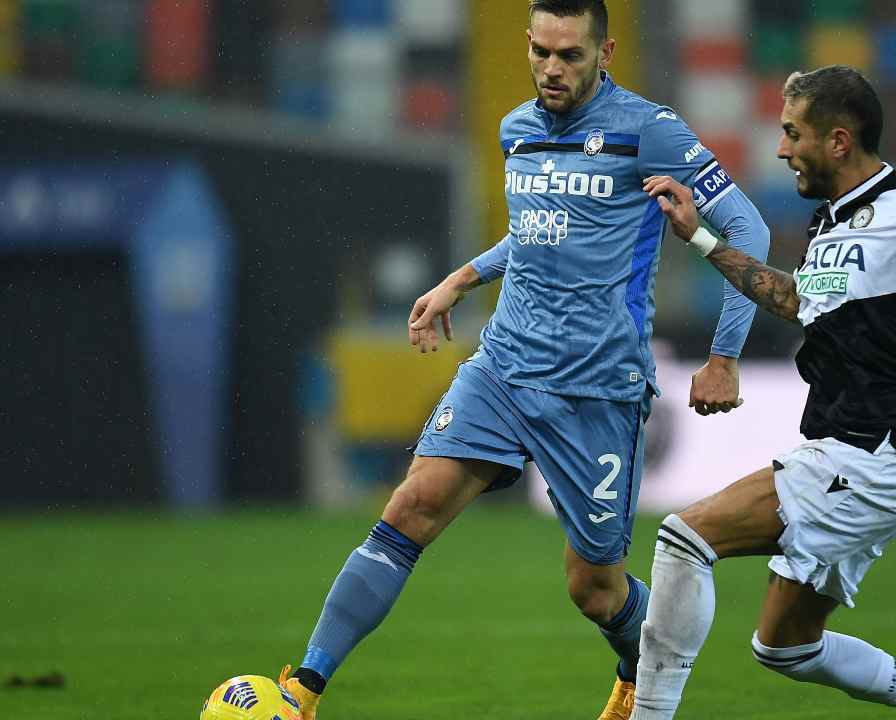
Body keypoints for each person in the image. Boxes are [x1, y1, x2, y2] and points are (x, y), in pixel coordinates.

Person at [277, 1, 771, 719]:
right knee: (410, 506)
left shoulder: (649, 131)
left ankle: (642, 668)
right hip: (503, 368)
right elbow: (538, 233)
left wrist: (725, 355)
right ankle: (300, 693)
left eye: (569, 54)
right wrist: (462, 278)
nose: (551, 68)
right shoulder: (517, 131)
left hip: (597, 390)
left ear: (604, 54)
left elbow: (748, 226)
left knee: (593, 587)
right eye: (541, 51)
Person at [633, 65, 896, 720]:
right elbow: (793, 298)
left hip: (867, 454)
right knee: (785, 647)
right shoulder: (830, 225)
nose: (783, 148)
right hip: (858, 454)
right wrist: (702, 235)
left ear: (840, 141)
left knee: (685, 537)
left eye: (793, 133)